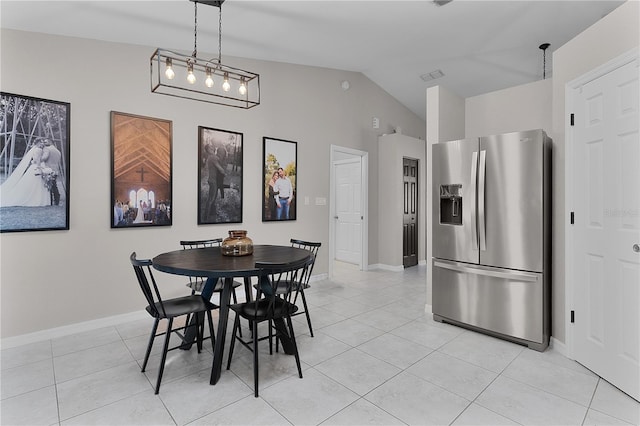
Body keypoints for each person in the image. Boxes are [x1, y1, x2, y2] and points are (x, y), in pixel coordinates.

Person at [0, 139, 50, 207]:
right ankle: (36, 199)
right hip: (37, 167)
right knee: (37, 184)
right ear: (38, 143)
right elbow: (37, 160)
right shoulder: (39, 150)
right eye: (41, 142)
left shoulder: (34, 149)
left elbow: (34, 159)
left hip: (33, 167)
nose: (43, 144)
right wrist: (40, 168)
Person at [204, 144, 225, 219]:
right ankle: (206, 218)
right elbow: (220, 169)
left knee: (212, 198)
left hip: (211, 180)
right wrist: (223, 171)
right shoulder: (213, 157)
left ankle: (211, 214)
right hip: (213, 181)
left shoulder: (211, 157)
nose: (213, 147)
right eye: (211, 147)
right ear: (208, 150)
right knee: (211, 199)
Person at [41, 139, 62, 205]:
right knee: (53, 185)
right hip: (55, 169)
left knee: (49, 185)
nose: (44, 143)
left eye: (45, 142)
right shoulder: (57, 151)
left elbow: (44, 158)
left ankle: (50, 201)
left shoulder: (47, 149)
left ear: (50, 142)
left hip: (48, 168)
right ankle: (56, 200)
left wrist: (38, 158)